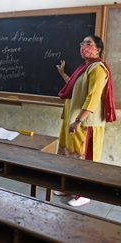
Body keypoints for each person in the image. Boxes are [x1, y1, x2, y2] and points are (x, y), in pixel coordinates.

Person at [56, 35, 116, 207]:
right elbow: (74, 88)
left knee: (85, 158)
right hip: (73, 120)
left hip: (85, 123)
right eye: (82, 43)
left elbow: (93, 97)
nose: (84, 46)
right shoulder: (84, 68)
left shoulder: (98, 68)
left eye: (88, 43)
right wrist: (62, 73)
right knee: (69, 156)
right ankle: (68, 187)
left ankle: (84, 193)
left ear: (98, 49)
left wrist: (78, 120)